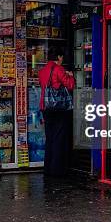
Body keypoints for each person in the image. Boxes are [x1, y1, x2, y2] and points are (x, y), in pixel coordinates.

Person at [38, 46, 75, 177]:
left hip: (46, 107)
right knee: (59, 139)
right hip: (58, 108)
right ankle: (57, 170)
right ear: (59, 57)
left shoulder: (42, 71)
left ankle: (47, 168)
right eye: (61, 58)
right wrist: (71, 76)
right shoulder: (59, 69)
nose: (62, 60)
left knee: (50, 138)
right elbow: (70, 85)